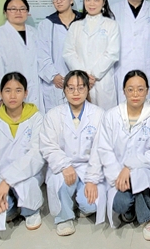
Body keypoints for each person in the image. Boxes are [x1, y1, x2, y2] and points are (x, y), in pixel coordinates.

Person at [97, 70, 150, 241]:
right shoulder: (111, 116)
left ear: (147, 90)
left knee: (140, 175)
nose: (135, 94)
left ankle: (146, 218)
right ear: (124, 91)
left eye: (140, 89)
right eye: (130, 89)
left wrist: (129, 167)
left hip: (145, 169)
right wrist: (118, 174)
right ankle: (129, 210)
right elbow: (104, 149)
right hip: (117, 173)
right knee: (119, 204)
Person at [40, 70, 107, 236]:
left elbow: (101, 149)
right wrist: (64, 165)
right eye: (71, 88)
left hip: (88, 167)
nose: (76, 93)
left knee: (91, 204)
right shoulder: (53, 115)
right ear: (64, 90)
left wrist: (92, 179)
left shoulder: (99, 114)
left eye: (80, 88)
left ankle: (79, 199)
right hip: (63, 167)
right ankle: (64, 217)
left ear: (87, 89)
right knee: (61, 184)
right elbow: (48, 146)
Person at [0, 72, 45, 236]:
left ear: (26, 93)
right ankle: (11, 205)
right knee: (2, 211)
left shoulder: (36, 118)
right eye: (7, 91)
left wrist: (8, 181)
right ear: (0, 94)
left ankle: (30, 211)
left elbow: (36, 155)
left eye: (18, 90)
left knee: (27, 184)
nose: (13, 96)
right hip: (0, 178)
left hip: (28, 174)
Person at [63, 0, 120, 110]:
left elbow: (112, 53)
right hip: (80, 81)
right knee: (82, 115)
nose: (91, 4)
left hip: (102, 80)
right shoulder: (75, 26)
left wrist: (93, 75)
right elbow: (68, 52)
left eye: (96, 0)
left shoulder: (111, 25)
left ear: (103, 2)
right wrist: (84, 76)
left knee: (105, 117)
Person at [0, 0, 44, 110]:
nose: (18, 12)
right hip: (10, 95)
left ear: (27, 12)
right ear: (5, 12)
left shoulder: (35, 33)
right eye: (13, 9)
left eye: (22, 9)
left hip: (35, 93)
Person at [39, 0, 85, 109]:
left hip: (82, 78)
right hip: (58, 81)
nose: (58, 1)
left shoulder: (83, 20)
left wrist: (86, 75)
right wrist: (53, 76)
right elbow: (42, 54)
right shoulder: (47, 24)